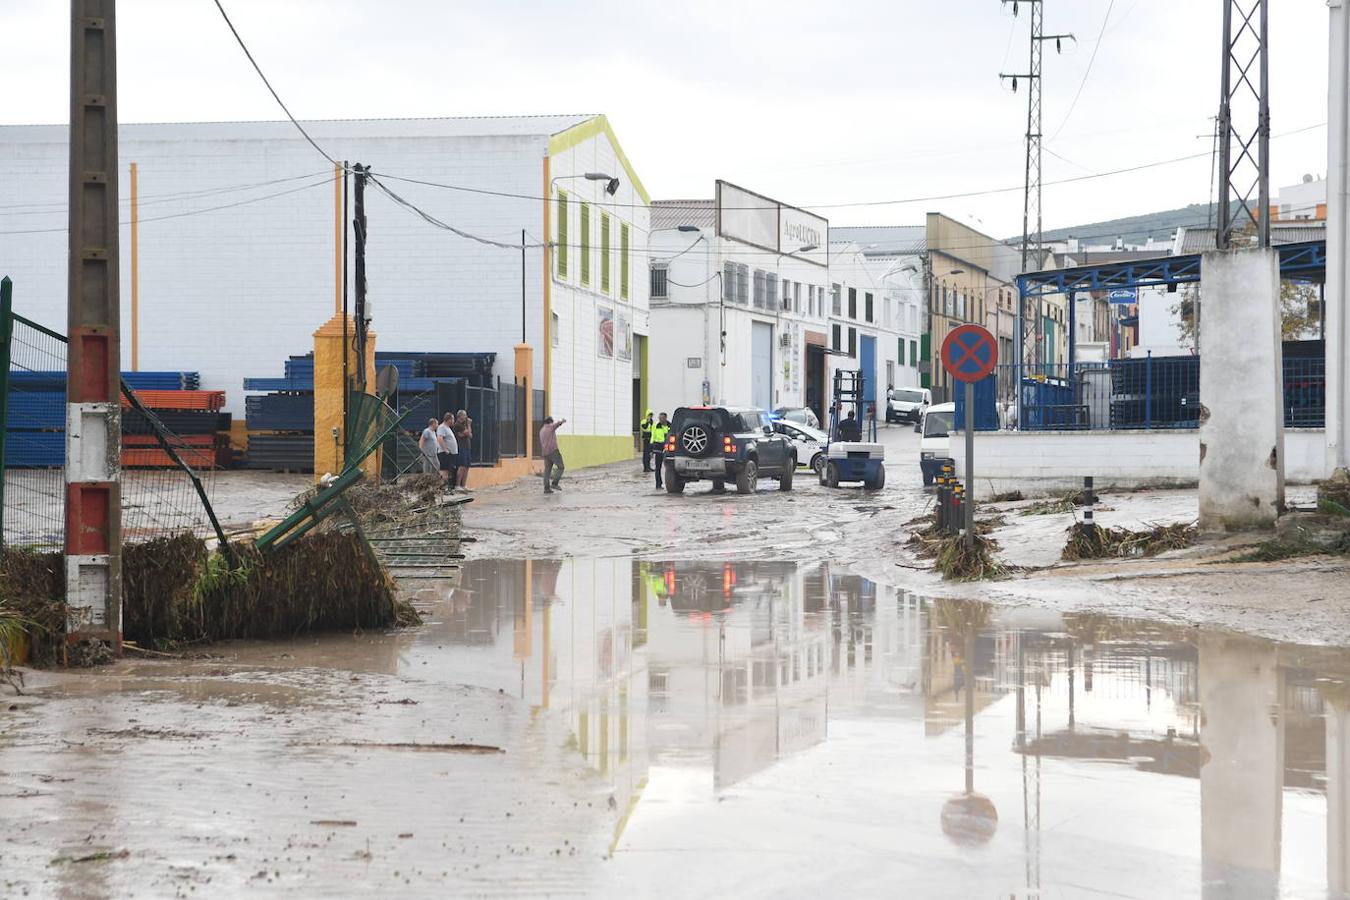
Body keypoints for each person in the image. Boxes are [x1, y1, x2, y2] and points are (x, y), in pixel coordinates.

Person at [539, 415, 567, 494]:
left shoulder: (541, 430)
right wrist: (562, 421)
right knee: (561, 467)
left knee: (547, 471)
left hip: (545, 453)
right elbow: (556, 425)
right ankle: (555, 483)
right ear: (550, 422)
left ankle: (546, 489)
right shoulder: (550, 427)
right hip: (553, 451)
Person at [436, 413, 459, 490]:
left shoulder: (448, 428)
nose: (453, 421)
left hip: (451, 454)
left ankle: (447, 487)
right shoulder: (442, 427)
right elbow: (440, 438)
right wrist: (445, 449)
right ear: (448, 420)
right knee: (444, 470)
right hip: (445, 453)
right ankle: (442, 488)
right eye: (452, 419)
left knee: (449, 471)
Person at [650, 412, 671, 489]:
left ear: (665, 418)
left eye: (661, 418)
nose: (660, 420)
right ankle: (658, 484)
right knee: (658, 468)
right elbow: (653, 437)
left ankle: (670, 483)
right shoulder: (656, 426)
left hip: (668, 448)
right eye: (659, 418)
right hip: (658, 448)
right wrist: (651, 449)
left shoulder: (670, 426)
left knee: (669, 467)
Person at [454, 409, 473, 490]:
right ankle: (457, 485)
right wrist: (469, 424)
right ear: (460, 416)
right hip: (461, 447)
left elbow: (470, 435)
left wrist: (467, 431)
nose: (466, 417)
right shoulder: (458, 425)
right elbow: (467, 433)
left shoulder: (464, 425)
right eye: (465, 415)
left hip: (467, 447)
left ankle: (464, 485)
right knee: (461, 466)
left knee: (467, 466)